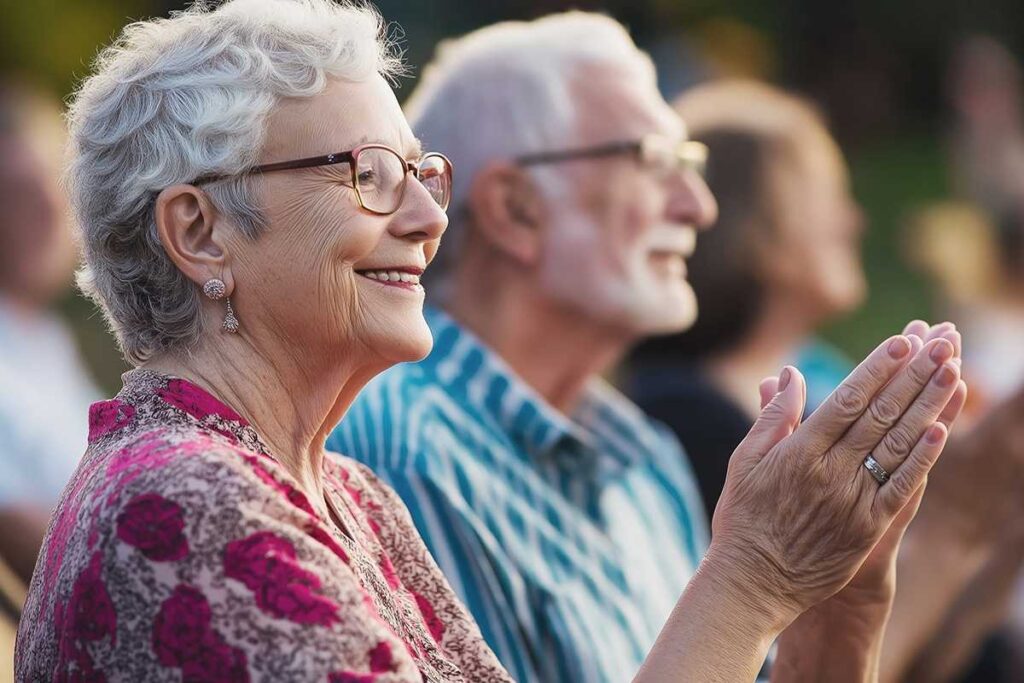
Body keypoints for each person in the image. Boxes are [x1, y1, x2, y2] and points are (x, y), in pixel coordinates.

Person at [329, 15, 965, 682]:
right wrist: (760, 577)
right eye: (656, 160)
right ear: (515, 209)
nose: (699, 206)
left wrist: (845, 608)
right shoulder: (396, 447)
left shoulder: (644, 457)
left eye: (689, 165)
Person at [628, 79, 1024, 682]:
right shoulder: (687, 417)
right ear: (749, 223)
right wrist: (949, 531)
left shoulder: (824, 376)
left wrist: (995, 521)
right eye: (826, 192)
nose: (855, 217)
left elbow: (953, 656)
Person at [0, 81, 101, 586]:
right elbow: (16, 525)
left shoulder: (47, 341)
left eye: (56, 188)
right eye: (17, 193)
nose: (47, 213)